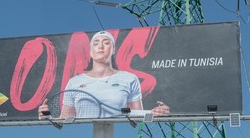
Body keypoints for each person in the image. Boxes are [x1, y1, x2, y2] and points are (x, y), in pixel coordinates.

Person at [38, 30, 170, 119]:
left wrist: (156, 113)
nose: (100, 46)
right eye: (96, 43)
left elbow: (137, 115)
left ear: (113, 49)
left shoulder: (129, 79)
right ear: (90, 51)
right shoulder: (74, 82)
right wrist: (48, 117)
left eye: (106, 43)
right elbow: (66, 118)